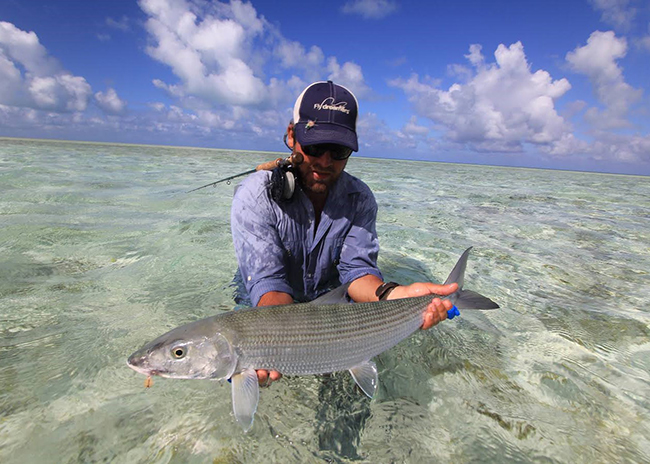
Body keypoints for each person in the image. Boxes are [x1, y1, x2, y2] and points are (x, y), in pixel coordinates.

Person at [231, 80, 457, 387]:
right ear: (291, 136)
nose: (325, 162)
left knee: (347, 399)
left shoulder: (360, 198)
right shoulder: (254, 196)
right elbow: (266, 280)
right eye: (314, 147)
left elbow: (357, 273)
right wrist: (273, 342)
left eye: (338, 150)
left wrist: (395, 294)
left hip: (334, 310)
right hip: (265, 309)